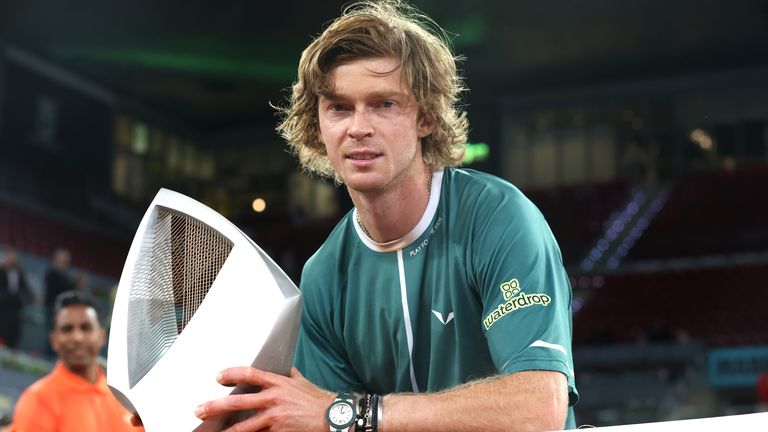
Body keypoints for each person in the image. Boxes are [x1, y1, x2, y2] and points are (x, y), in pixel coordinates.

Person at [191, 1, 578, 430]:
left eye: (384, 104)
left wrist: (355, 413)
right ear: (318, 125)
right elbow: (321, 422)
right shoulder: (323, 274)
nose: (358, 127)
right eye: (339, 107)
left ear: (426, 117)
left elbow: (539, 407)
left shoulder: (498, 218)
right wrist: (213, 417)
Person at [10, 291, 141, 432]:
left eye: (86, 328)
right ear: (54, 340)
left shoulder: (126, 402)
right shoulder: (38, 400)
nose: (77, 337)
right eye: (67, 329)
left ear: (102, 336)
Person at [0, 249, 33, 349]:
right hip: (2, 309)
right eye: (8, 257)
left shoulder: (19, 274)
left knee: (12, 336)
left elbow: (28, 292)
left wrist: (21, 299)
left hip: (14, 311)